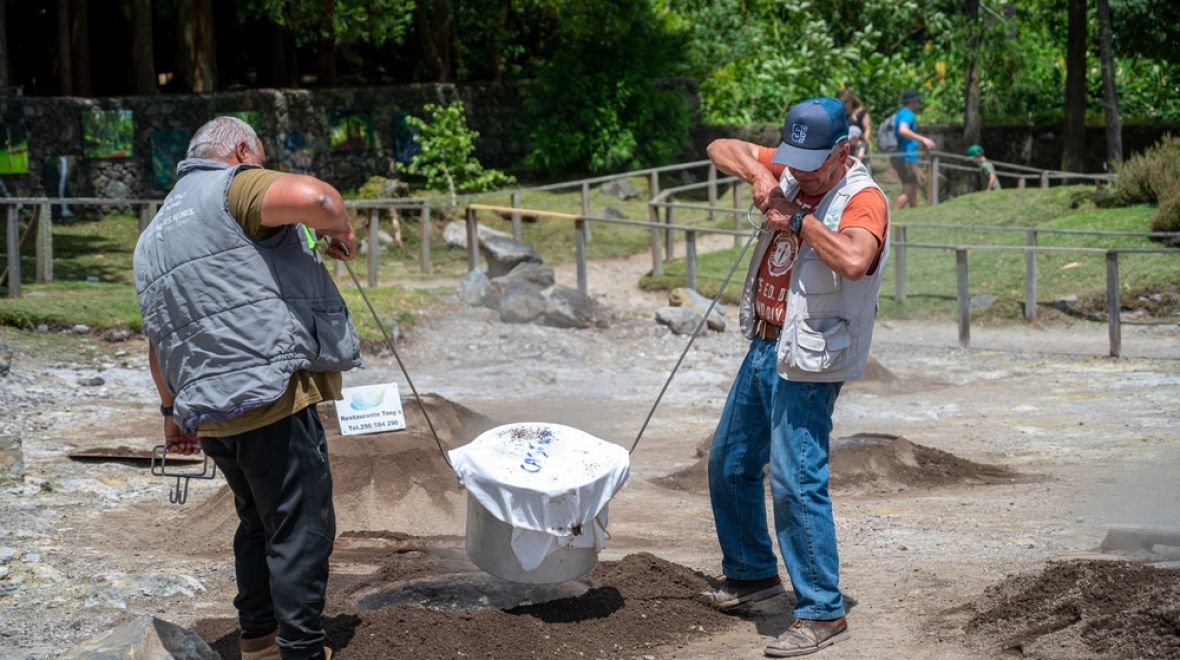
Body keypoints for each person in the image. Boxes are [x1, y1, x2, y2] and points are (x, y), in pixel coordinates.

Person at [133, 116, 361, 660]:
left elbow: (159, 339)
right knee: (301, 525)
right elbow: (320, 200)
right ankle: (302, 649)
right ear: (240, 150)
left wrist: (171, 411)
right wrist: (341, 232)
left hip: (210, 410)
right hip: (269, 393)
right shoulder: (233, 184)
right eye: (258, 159)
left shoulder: (155, 233)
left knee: (256, 523)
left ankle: (257, 640)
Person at [703, 97, 890, 657]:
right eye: (792, 160)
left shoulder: (862, 199)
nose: (799, 173)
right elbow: (719, 148)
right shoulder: (789, 166)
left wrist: (800, 221)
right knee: (729, 460)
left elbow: (855, 260)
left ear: (843, 152)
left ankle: (822, 612)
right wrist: (762, 174)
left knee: (795, 476)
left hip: (811, 357)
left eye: (811, 164)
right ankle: (753, 576)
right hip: (765, 339)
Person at [890, 89, 937, 209]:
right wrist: (923, 139)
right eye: (917, 101)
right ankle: (891, 217)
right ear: (913, 102)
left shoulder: (900, 113)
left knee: (912, 188)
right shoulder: (908, 113)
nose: (918, 104)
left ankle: (914, 213)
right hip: (906, 156)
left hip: (904, 156)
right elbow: (903, 130)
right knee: (908, 190)